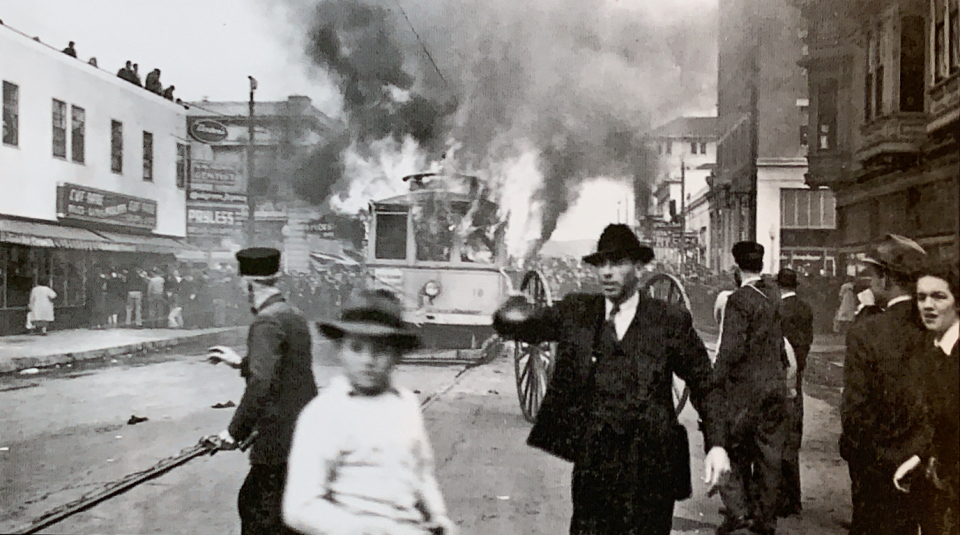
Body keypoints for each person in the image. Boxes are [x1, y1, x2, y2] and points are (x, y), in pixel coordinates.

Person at [493, 224, 730, 535]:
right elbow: (525, 327)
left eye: (617, 263)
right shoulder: (577, 312)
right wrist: (508, 311)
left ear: (639, 267)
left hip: (652, 469)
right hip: (595, 469)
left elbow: (705, 384)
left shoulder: (669, 321)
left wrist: (718, 446)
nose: (607, 272)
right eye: (601, 264)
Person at [283, 289, 454, 535]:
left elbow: (421, 473)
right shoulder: (324, 413)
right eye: (356, 348)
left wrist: (437, 515)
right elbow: (299, 507)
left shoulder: (405, 404)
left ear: (397, 355)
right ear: (340, 350)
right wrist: (368, 530)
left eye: (380, 350)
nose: (368, 360)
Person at [206, 247, 317, 535]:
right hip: (303, 434)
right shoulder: (293, 314)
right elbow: (288, 372)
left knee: (257, 509)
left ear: (248, 283)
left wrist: (234, 432)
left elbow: (262, 383)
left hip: (277, 440)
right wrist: (240, 363)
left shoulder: (266, 321)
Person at [839, 234, 929, 535]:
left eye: (874, 275)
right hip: (926, 461)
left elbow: (854, 410)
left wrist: (856, 454)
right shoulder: (934, 327)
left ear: (888, 279)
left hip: (878, 466)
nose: (870, 283)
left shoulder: (867, 332)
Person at [712, 241, 788, 535]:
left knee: (731, 448)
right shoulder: (774, 295)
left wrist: (712, 382)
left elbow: (730, 350)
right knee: (769, 455)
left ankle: (737, 512)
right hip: (774, 387)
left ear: (736, 268)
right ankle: (766, 519)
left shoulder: (739, 300)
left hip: (746, 392)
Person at [892, 260, 959, 534]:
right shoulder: (931, 351)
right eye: (921, 297)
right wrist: (918, 458)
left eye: (939, 296)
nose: (927, 305)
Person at [775, 268, 814, 518]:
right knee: (793, 437)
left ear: (779, 286)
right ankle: (794, 497)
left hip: (781, 376)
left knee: (779, 438)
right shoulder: (805, 308)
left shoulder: (778, 310)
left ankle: (782, 498)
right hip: (797, 375)